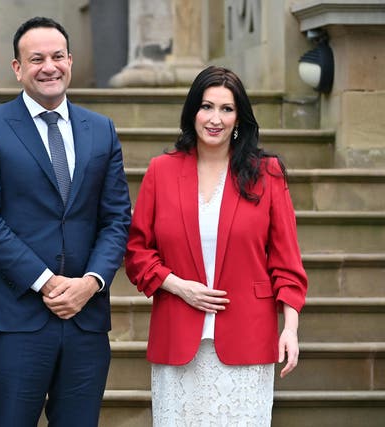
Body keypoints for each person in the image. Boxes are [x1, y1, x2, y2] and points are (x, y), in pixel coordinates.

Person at [0, 16, 132, 427]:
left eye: (57, 56)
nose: (49, 66)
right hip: (16, 315)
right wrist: (46, 281)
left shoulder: (102, 130)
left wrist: (91, 282)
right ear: (17, 68)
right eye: (36, 59)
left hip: (85, 317)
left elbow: (117, 218)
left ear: (70, 61)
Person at [124, 66, 308, 425]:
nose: (215, 119)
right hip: (177, 337)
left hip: (248, 337)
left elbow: (287, 263)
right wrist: (178, 286)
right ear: (193, 111)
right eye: (207, 106)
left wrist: (290, 327)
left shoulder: (267, 174)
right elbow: (137, 252)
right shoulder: (161, 171)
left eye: (226, 109)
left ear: (239, 118)